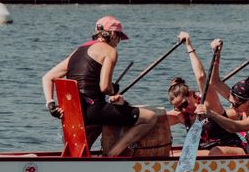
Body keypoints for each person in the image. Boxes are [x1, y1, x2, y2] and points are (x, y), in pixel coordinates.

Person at [41, 15, 160, 156]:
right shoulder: (110, 51)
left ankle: (78, 158)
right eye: (120, 37)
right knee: (151, 118)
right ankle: (113, 154)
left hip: (74, 112)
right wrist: (113, 89)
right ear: (114, 34)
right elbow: (104, 87)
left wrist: (51, 104)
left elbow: (47, 77)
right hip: (93, 110)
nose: (119, 42)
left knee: (103, 119)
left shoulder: (77, 51)